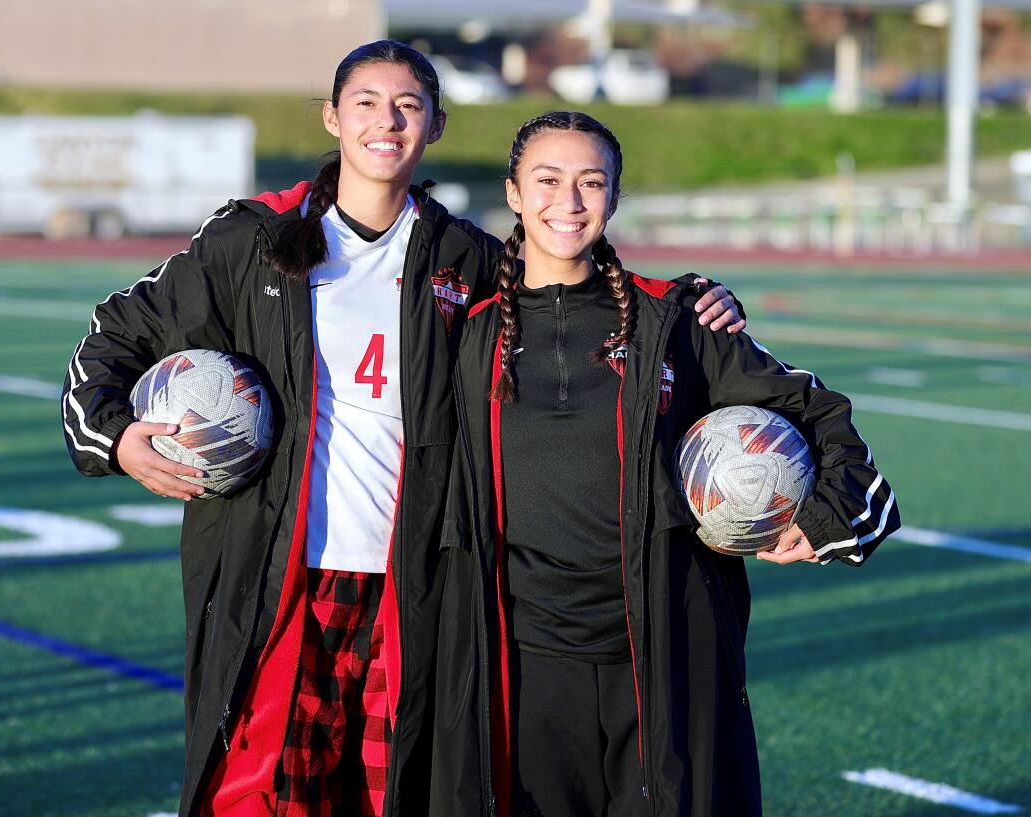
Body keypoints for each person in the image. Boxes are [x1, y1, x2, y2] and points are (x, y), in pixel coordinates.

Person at [61, 43, 743, 817]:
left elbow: (575, 282)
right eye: (366, 103)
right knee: (265, 800)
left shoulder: (466, 258)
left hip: (421, 593)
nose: (386, 121)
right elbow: (115, 335)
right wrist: (114, 438)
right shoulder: (252, 240)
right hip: (284, 583)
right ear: (333, 116)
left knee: (399, 798)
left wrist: (689, 299)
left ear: (435, 127)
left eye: (408, 106)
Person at [441, 112, 901, 817]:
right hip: (524, 663)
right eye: (548, 180)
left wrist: (824, 518)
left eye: (591, 183)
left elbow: (817, 411)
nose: (569, 202)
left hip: (660, 655)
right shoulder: (467, 335)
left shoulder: (677, 321)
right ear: (511, 193)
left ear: (614, 199)